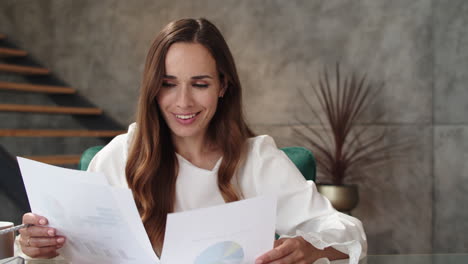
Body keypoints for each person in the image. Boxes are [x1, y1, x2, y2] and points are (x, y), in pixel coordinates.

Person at [18, 18, 367, 264]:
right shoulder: (119, 156)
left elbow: (347, 231)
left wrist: (311, 247)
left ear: (223, 86)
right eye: (169, 84)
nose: (183, 102)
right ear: (153, 89)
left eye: (199, 84)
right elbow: (68, 247)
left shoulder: (256, 159)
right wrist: (36, 244)